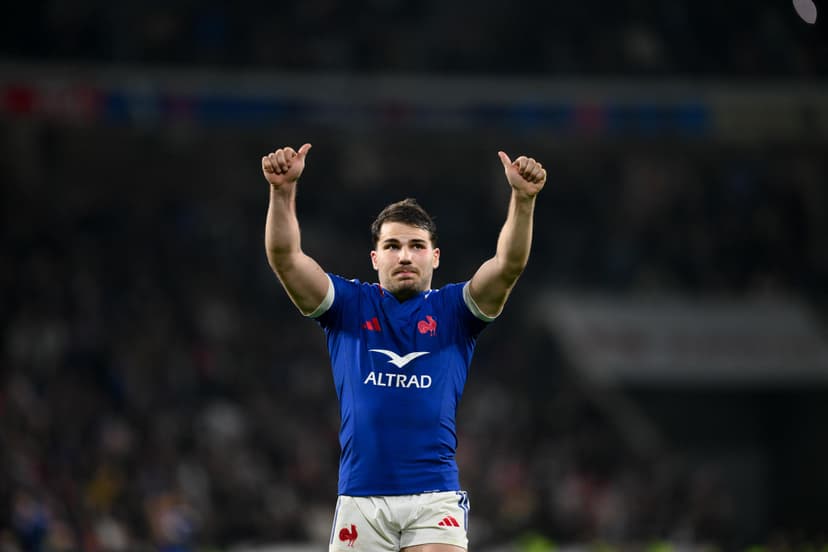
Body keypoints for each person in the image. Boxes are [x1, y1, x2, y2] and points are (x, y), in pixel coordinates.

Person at [261, 143, 546, 552]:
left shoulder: (455, 310)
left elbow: (508, 265)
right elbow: (286, 259)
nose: (405, 256)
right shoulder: (349, 305)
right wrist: (282, 191)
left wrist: (523, 200)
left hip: (434, 496)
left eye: (416, 245)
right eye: (393, 246)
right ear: (375, 258)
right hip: (361, 498)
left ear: (435, 256)